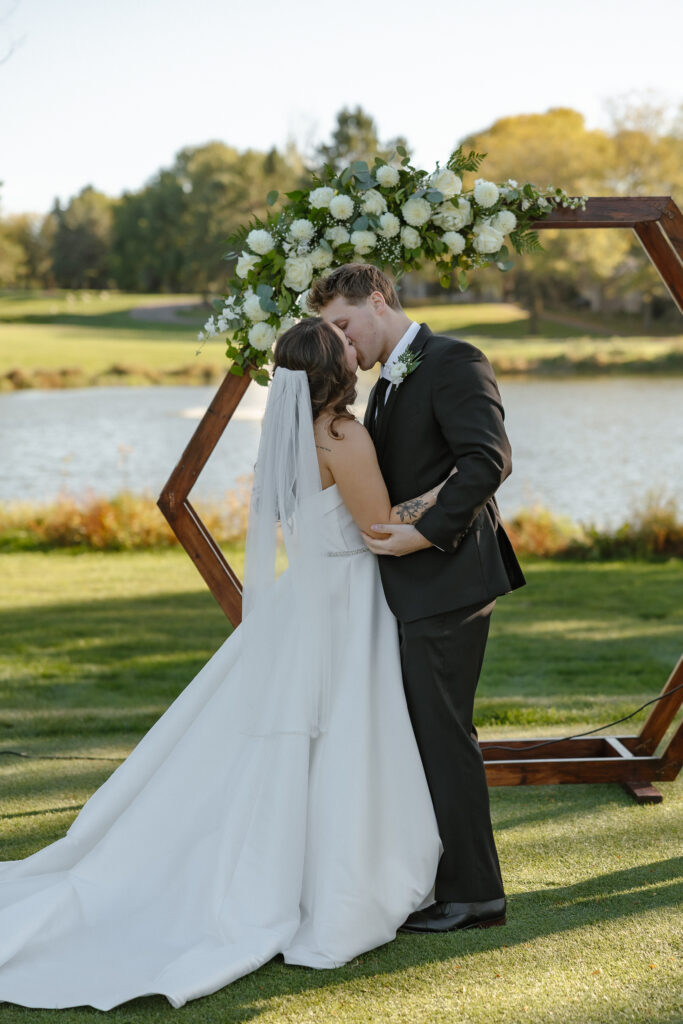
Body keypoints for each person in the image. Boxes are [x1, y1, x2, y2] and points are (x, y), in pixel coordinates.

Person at [0, 317, 451, 1011]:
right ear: (339, 369)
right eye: (347, 349)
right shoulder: (341, 434)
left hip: (307, 597)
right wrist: (445, 498)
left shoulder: (288, 434)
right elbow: (378, 529)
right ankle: (327, 882)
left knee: (294, 735)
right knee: (343, 729)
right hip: (344, 599)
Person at [309, 263, 526, 933]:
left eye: (343, 325)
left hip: (450, 576)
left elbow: (487, 459)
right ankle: (438, 878)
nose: (341, 344)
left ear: (377, 300)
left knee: (442, 734)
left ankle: (475, 894)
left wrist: (422, 535)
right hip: (416, 583)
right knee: (423, 734)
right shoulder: (385, 382)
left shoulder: (454, 359)